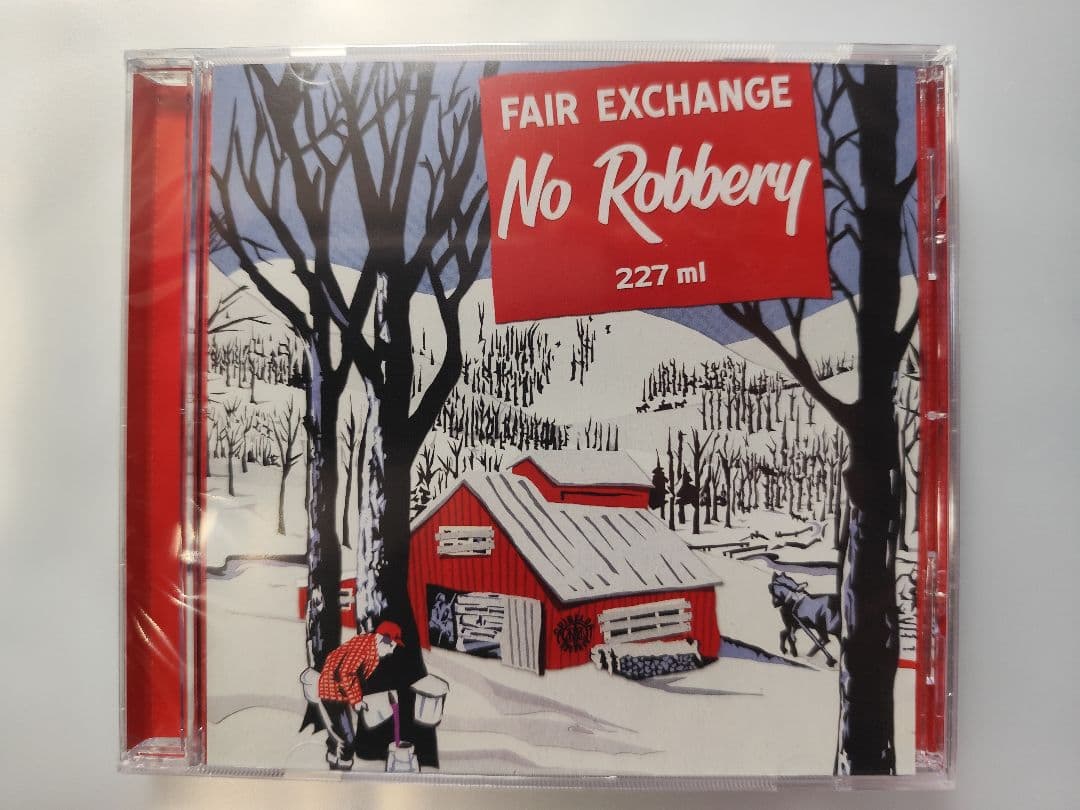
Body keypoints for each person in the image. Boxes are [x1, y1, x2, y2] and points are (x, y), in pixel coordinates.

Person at [315, 620, 404, 770]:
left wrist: (361, 697)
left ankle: (333, 760)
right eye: (391, 647)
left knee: (339, 731)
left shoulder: (371, 647)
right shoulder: (363, 648)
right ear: (383, 640)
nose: (391, 652)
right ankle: (344, 767)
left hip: (341, 691)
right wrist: (356, 700)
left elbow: (358, 676)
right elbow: (346, 673)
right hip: (332, 691)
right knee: (348, 739)